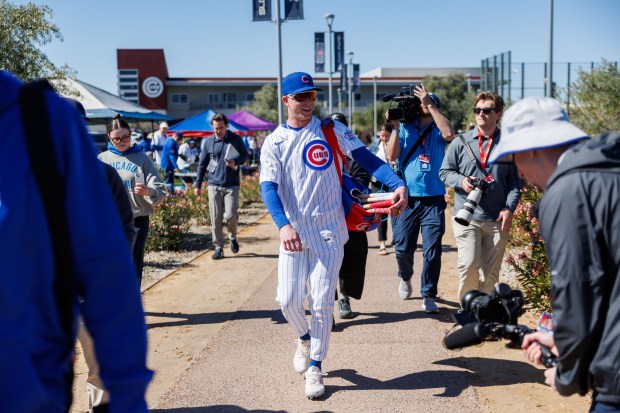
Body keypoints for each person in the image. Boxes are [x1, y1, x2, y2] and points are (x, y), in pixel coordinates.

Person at [0, 71, 152, 412]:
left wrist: (126, 397)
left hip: (26, 381)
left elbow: (111, 251)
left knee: (95, 358)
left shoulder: (44, 127)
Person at [260, 72, 408, 399]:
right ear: (286, 100)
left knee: (323, 301)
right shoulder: (275, 142)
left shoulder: (331, 130)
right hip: (295, 235)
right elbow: (268, 187)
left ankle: (315, 365)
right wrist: (283, 225)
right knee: (287, 301)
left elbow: (367, 160)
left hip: (329, 231)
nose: (308, 102)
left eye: (311, 95)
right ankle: (303, 337)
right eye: (300, 97)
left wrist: (397, 183)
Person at [485, 97, 620, 413]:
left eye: (514, 156)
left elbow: (578, 289)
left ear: (532, 148)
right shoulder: (608, 174)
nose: (517, 170)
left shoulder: (568, 191)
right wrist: (561, 338)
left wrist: (568, 374)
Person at [439, 92, 521, 305]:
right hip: (467, 216)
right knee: (468, 265)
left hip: (497, 219)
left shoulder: (510, 144)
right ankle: (467, 309)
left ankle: (483, 314)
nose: (481, 114)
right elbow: (444, 171)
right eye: (478, 110)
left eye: (487, 110)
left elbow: (516, 182)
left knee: (490, 274)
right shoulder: (461, 142)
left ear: (499, 114)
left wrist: (509, 208)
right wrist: (462, 181)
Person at [385, 84, 455, 313]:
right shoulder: (406, 127)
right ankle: (405, 276)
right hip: (407, 198)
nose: (423, 105)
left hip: (433, 198)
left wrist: (431, 104)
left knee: (432, 249)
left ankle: (428, 294)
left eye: (427, 102)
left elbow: (449, 134)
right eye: (421, 103)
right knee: (403, 248)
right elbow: (391, 155)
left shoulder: (437, 127)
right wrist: (395, 127)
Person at [98, 114, 167, 285]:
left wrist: (148, 190)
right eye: (116, 139)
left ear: (131, 134)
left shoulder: (142, 158)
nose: (121, 142)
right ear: (109, 138)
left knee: (133, 261)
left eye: (125, 137)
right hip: (108, 220)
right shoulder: (102, 159)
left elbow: (160, 189)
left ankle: (133, 303)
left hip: (136, 219)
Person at [329, 112, 369, 320]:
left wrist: (344, 184)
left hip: (351, 217)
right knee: (327, 262)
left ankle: (345, 297)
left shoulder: (356, 153)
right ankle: (327, 307)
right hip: (326, 218)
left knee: (351, 261)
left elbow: (363, 178)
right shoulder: (321, 152)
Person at [195, 113, 249, 260]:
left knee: (230, 216)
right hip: (213, 184)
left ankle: (232, 236)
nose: (218, 131)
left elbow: (245, 156)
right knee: (216, 218)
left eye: (221, 128)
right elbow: (202, 164)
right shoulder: (208, 142)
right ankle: (218, 247)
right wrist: (197, 184)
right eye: (216, 128)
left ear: (227, 126)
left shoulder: (236, 139)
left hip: (231, 185)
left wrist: (236, 162)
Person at [372, 122, 398, 256]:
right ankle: (382, 242)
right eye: (382, 136)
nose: (384, 139)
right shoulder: (374, 147)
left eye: (386, 136)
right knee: (380, 213)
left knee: (395, 211)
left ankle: (397, 237)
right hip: (377, 184)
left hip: (393, 184)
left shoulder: (396, 144)